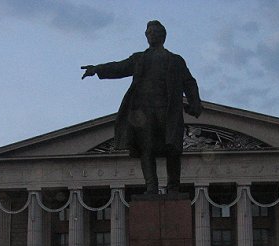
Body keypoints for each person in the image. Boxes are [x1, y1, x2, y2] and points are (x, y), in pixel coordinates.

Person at [81, 20, 202, 194]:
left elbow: (189, 82)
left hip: (168, 112)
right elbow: (119, 67)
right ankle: (151, 186)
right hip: (145, 112)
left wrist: (194, 103)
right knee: (147, 148)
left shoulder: (176, 61)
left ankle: (173, 187)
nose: (151, 35)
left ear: (163, 36)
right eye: (148, 32)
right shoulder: (139, 59)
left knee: (173, 149)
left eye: (154, 32)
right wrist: (97, 69)